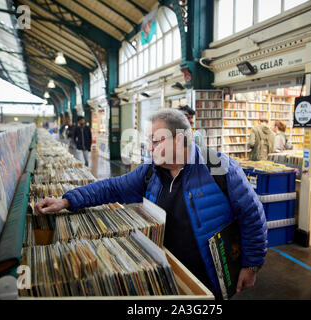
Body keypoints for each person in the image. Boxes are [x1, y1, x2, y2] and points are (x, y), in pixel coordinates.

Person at [35, 108, 267, 299]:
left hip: (211, 273)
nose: (149, 147)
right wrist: (67, 200)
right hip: (166, 269)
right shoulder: (150, 172)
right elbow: (112, 187)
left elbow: (252, 216)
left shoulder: (220, 168)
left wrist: (251, 265)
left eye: (155, 141)